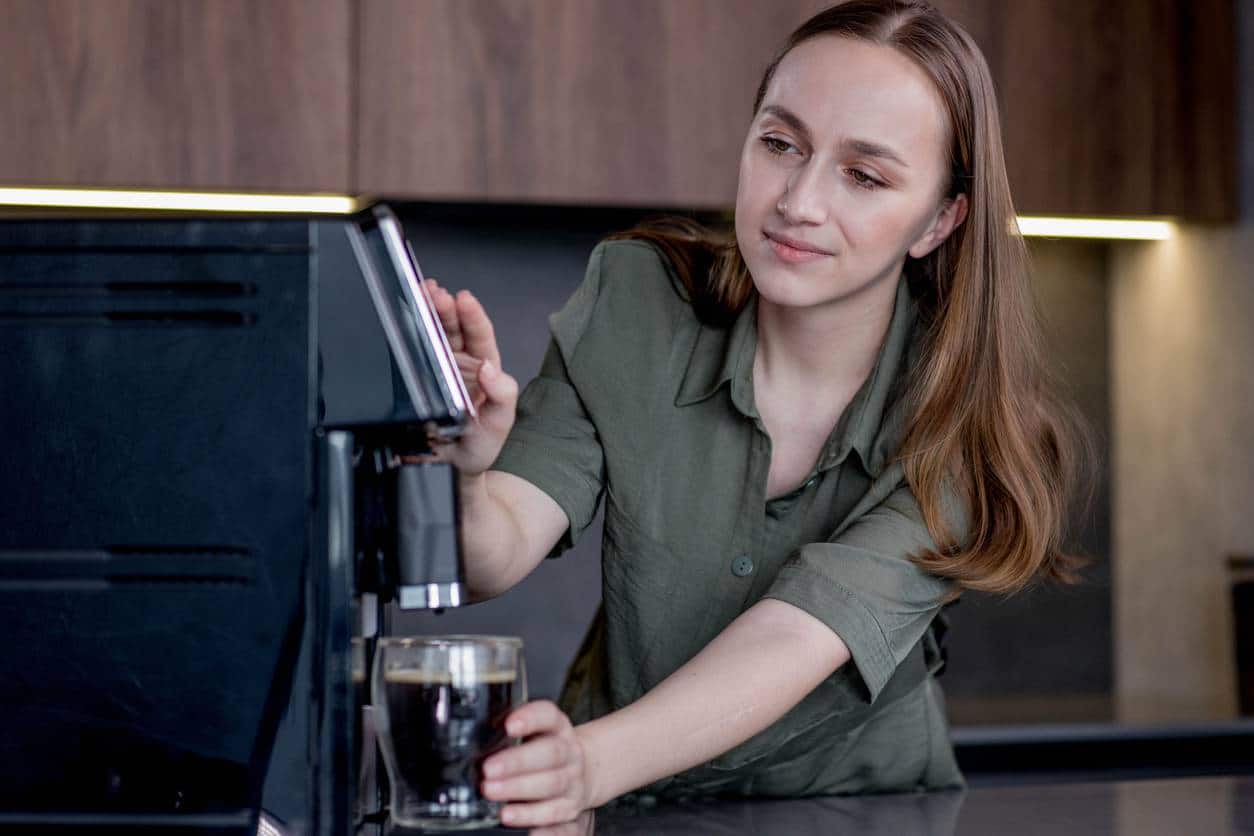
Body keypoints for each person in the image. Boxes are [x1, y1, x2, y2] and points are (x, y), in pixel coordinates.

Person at [418, 1, 1089, 832]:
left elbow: (794, 638)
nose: (799, 201)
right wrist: (469, 472)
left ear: (940, 219)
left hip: (854, 815)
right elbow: (491, 557)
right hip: (614, 802)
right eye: (781, 144)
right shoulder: (637, 301)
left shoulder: (959, 421)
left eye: (865, 175)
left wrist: (585, 762)